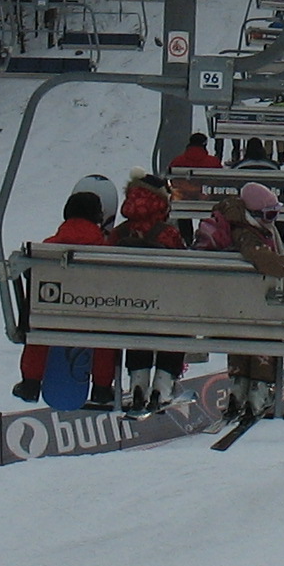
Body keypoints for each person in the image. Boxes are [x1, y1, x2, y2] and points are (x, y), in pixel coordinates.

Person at [203, 183, 284, 421]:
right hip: (252, 303)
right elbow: (264, 260)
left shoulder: (242, 226)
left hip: (236, 302)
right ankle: (257, 391)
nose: (273, 220)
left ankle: (241, 389)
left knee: (245, 333)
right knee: (262, 335)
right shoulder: (245, 233)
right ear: (253, 213)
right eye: (270, 215)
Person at [14, 183, 119, 404]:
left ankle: (31, 382)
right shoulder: (106, 250)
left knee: (39, 323)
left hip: (52, 317)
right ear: (98, 217)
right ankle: (101, 387)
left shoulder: (48, 247)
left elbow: (30, 276)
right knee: (108, 331)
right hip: (93, 318)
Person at [112, 173, 189, 412]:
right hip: (164, 306)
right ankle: (162, 386)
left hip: (126, 305)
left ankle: (138, 384)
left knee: (137, 323)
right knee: (177, 323)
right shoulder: (168, 233)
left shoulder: (120, 232)